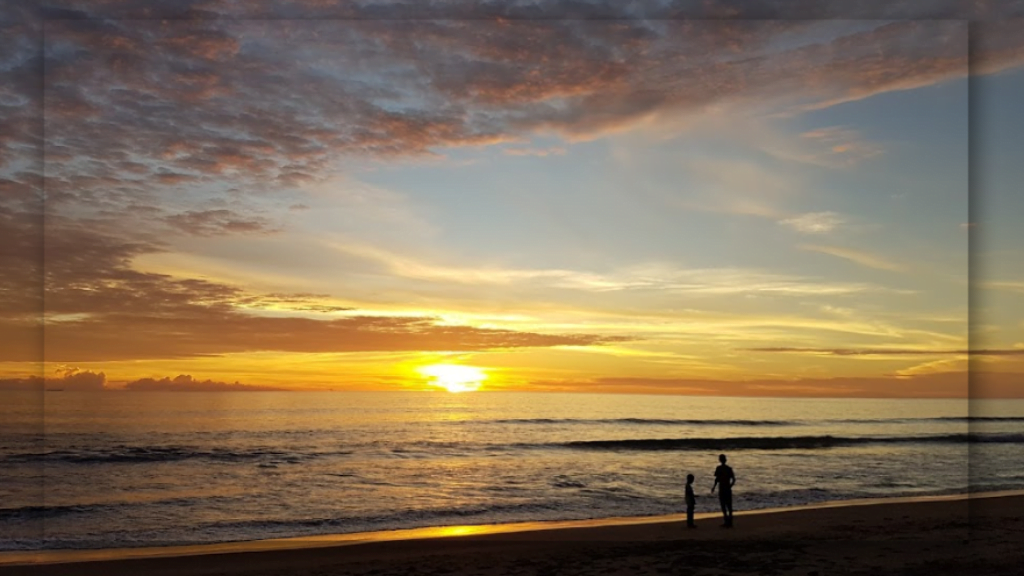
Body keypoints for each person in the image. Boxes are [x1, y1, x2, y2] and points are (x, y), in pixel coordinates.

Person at [710, 453, 736, 527]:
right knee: (729, 505)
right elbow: (734, 479)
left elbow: (717, 479)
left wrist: (713, 487)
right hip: (727, 488)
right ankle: (730, 522)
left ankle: (726, 521)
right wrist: (730, 486)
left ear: (720, 460)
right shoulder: (729, 469)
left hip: (722, 488)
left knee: (723, 505)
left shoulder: (719, 468)